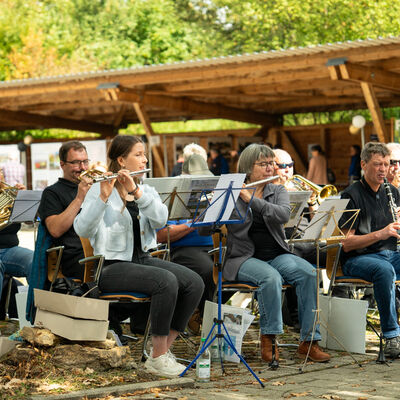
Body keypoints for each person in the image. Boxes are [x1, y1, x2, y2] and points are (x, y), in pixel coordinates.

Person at [74, 135, 204, 377]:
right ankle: (157, 357)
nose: (145, 159)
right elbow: (82, 229)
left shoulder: (146, 190)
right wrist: (102, 197)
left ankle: (161, 352)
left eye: (144, 154)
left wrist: (136, 191)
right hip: (111, 267)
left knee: (195, 282)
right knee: (166, 281)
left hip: (142, 259)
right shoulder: (100, 189)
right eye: (139, 154)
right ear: (121, 160)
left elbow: (160, 220)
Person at [206, 143, 330, 363]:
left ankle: (309, 342)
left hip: (277, 254)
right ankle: (269, 338)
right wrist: (213, 206)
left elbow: (282, 215)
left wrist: (250, 199)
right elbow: (205, 229)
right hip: (244, 258)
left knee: (309, 273)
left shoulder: (277, 190)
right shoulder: (232, 190)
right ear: (247, 167)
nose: (270, 168)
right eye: (263, 164)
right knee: (270, 278)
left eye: (271, 163)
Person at [339, 142, 400, 359]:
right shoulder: (351, 195)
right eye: (377, 164)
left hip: (390, 255)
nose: (383, 169)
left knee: (387, 266)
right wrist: (381, 234)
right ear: (364, 165)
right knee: (384, 271)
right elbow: (346, 243)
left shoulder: (392, 191)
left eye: (386, 163)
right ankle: (392, 335)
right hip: (359, 259)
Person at [157, 152, 227, 335]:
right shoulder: (173, 198)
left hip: (213, 246)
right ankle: (205, 318)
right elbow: (163, 236)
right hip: (184, 249)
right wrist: (194, 223)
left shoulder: (210, 195)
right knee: (208, 270)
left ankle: (204, 312)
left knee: (233, 270)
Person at [38, 141, 91, 279]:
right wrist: (79, 198)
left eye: (85, 161)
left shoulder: (95, 187)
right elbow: (55, 230)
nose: (83, 168)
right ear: (62, 164)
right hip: (76, 258)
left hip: (102, 251)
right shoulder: (51, 192)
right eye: (76, 163)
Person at [0, 181, 32, 303]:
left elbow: (29, 221)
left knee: (34, 260)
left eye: (1, 171)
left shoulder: (9, 195)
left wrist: (24, 199)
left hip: (10, 250)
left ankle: (34, 312)